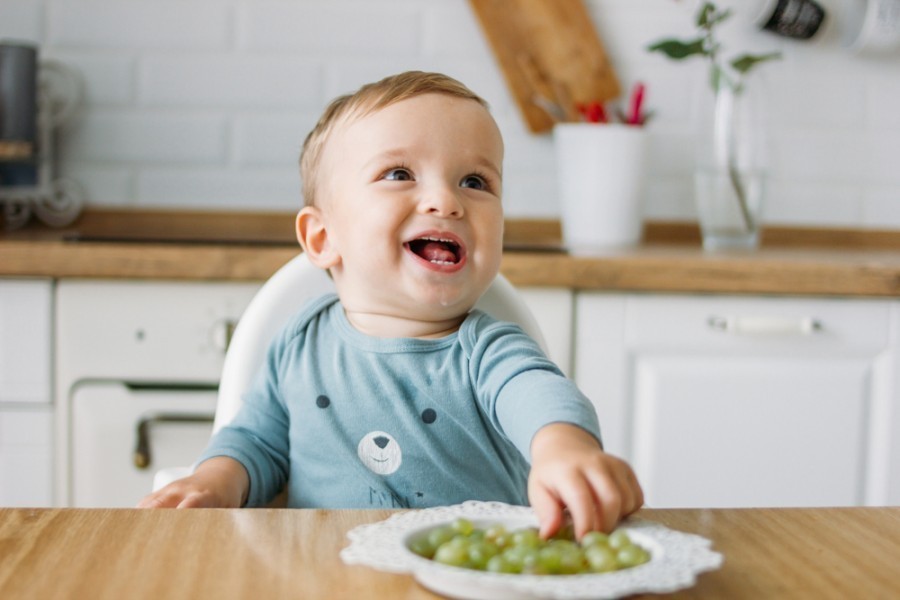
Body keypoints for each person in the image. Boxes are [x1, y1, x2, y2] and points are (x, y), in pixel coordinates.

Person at [138, 71, 643, 538]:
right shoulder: (299, 343)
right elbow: (256, 444)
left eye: (475, 181)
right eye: (400, 173)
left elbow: (539, 396)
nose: (446, 202)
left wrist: (563, 448)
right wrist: (215, 481)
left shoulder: (487, 350)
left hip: (463, 581)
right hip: (323, 578)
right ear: (322, 237)